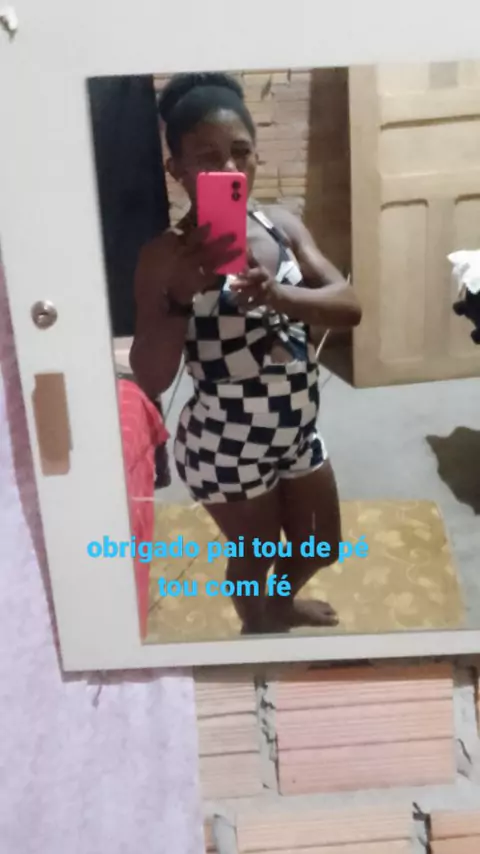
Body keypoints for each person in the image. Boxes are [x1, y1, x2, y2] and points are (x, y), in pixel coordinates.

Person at [130, 71, 362, 635]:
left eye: (240, 151)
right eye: (208, 158)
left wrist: (278, 294)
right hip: (225, 442)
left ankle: (279, 605)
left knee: (321, 544)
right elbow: (151, 378)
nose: (230, 169)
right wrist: (179, 298)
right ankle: (259, 629)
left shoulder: (282, 226)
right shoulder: (163, 256)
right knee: (256, 557)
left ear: (257, 155)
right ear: (178, 170)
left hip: (296, 427)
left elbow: (349, 306)